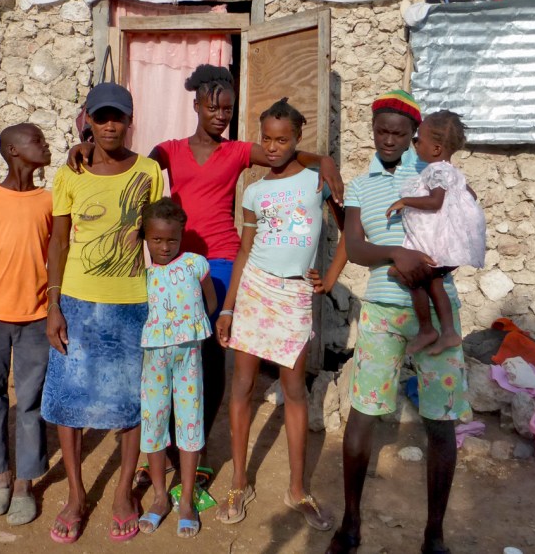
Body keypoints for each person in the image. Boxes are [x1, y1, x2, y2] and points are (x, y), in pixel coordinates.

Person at [69, 64, 344, 486]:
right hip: (172, 263)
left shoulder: (237, 152)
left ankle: (191, 452)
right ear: (195, 105)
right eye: (212, 107)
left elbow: (284, 153)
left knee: (211, 358)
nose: (220, 116)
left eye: (227, 109)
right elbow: (129, 164)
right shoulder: (169, 150)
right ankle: (155, 452)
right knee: (164, 354)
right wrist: (87, 148)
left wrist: (323, 160)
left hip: (220, 262)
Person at [326, 90, 471, 554]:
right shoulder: (363, 184)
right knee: (364, 413)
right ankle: (351, 523)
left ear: (414, 135)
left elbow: (461, 221)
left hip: (436, 299)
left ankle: (434, 532)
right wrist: (396, 252)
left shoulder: (432, 171)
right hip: (383, 309)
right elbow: (356, 245)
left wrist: (428, 261)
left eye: (398, 132)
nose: (388, 139)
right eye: (381, 131)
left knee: (440, 419)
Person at [214, 98, 346, 530]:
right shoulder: (253, 191)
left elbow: (350, 229)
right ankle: (238, 480)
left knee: (293, 390)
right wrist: (229, 306)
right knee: (243, 386)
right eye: (267, 139)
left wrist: (329, 276)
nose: (273, 147)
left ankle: (296, 488)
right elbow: (244, 251)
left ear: (296, 140)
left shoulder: (317, 181)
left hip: (292, 297)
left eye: (282, 139)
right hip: (254, 288)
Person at [42, 82, 163, 543]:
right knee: (70, 403)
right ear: (87, 120)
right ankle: (75, 496)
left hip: (132, 301)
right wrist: (53, 304)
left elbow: (160, 234)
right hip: (75, 299)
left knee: (130, 401)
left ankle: (121, 492)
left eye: (118, 117)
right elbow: (59, 240)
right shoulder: (70, 173)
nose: (110, 125)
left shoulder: (150, 171)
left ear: (130, 121)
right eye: (101, 116)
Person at [0, 123, 53, 526]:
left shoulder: (49, 201)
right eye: (36, 140)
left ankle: (24, 481)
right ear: (13, 150)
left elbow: (57, 256)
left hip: (37, 317)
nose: (45, 145)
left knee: (31, 400)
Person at [136, 198, 217, 538]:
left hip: (189, 358)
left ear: (182, 235)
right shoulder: (141, 269)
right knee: (153, 421)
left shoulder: (195, 264)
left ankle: (185, 498)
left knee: (190, 422)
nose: (165, 247)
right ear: (145, 237)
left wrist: (195, 327)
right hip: (153, 359)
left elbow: (210, 300)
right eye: (156, 239)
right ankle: (158, 496)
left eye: (172, 239)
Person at [385, 111, 485, 356]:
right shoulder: (453, 172)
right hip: (448, 250)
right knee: (435, 284)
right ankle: (449, 332)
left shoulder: (435, 171)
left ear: (437, 148)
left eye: (419, 139)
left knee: (410, 277)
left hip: (436, 249)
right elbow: (470, 196)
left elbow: (435, 202)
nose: (415, 144)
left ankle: (427, 329)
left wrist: (404, 202)